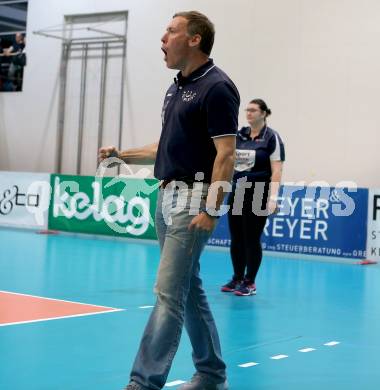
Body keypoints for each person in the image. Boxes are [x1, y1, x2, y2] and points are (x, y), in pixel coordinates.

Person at [98, 11, 239, 390]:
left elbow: (226, 153)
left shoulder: (218, 87)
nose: (163, 38)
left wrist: (211, 208)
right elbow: (166, 146)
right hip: (166, 197)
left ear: (194, 39)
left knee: (166, 294)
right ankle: (211, 374)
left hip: (194, 198)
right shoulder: (176, 87)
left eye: (171, 30)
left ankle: (143, 382)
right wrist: (121, 155)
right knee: (186, 288)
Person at [221, 99, 285, 296]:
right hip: (237, 190)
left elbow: (276, 170)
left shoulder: (272, 138)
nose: (248, 113)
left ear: (264, 113)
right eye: (247, 110)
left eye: (253, 110)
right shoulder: (240, 135)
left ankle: (250, 282)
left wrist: (273, 198)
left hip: (259, 192)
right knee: (236, 237)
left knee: (251, 238)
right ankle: (237, 277)